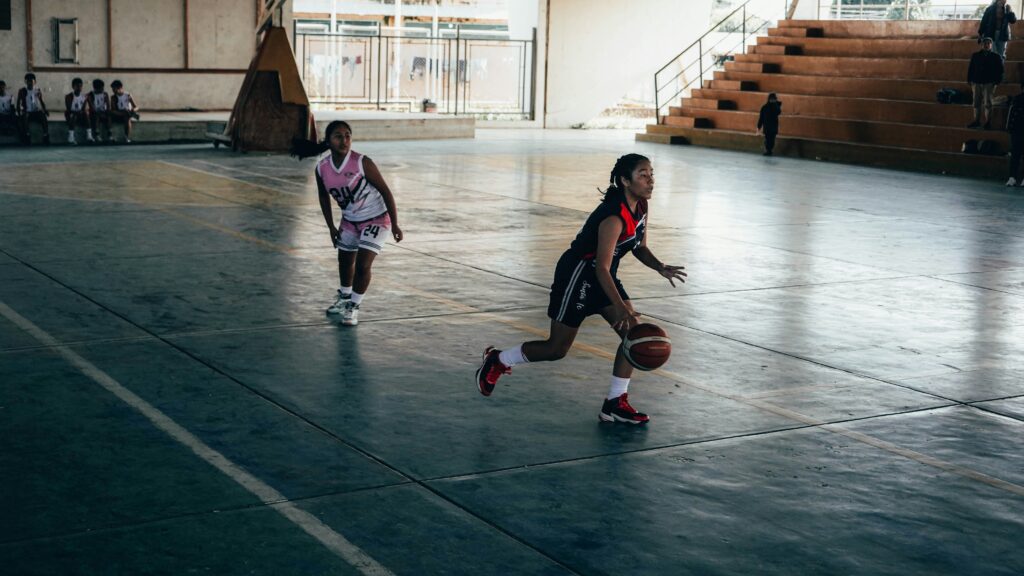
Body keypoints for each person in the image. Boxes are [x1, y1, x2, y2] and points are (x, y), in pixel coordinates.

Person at [474, 154, 687, 425]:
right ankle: (499, 359)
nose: (651, 180)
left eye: (651, 174)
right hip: (577, 277)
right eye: (643, 175)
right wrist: (621, 308)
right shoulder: (613, 216)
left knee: (632, 336)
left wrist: (660, 266)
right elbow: (599, 267)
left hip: (603, 275)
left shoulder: (641, 205)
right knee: (557, 349)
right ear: (625, 180)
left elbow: (639, 246)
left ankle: (614, 403)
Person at [290, 120, 404, 326]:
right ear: (328, 140)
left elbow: (386, 191)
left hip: (376, 218)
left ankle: (354, 306)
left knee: (363, 264)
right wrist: (331, 227)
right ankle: (344, 297)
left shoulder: (362, 162)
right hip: (350, 220)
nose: (344, 141)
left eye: (348, 136)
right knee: (344, 261)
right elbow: (323, 197)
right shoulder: (322, 168)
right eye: (338, 136)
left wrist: (395, 224)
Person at [967, 37, 1004, 129]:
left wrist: (997, 81)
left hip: (989, 83)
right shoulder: (975, 55)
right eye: (985, 43)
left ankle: (988, 122)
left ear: (991, 45)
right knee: (976, 103)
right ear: (982, 45)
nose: (986, 45)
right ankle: (976, 121)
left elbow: (1001, 70)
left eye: (988, 43)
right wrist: (969, 80)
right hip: (976, 82)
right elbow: (971, 68)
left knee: (988, 104)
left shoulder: (996, 57)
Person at [16, 73, 49, 145]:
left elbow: (41, 101)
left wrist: (45, 110)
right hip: (27, 112)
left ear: (35, 82)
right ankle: (27, 136)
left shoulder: (37, 90)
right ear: (26, 82)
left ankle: (46, 135)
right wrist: (18, 113)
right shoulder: (22, 90)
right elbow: (18, 103)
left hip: (36, 111)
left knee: (43, 116)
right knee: (24, 117)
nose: (30, 83)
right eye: (28, 81)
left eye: (32, 81)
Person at [1005, 82, 1024, 186]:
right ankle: (1012, 177)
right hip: (1017, 131)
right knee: (1015, 155)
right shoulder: (1017, 99)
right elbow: (1011, 114)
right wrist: (1009, 128)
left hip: (1017, 131)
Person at [64, 77, 93, 144]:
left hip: (80, 115)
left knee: (86, 114)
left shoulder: (84, 97)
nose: (79, 88)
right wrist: (78, 112)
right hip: (71, 115)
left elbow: (83, 108)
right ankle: (71, 137)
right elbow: (69, 109)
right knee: (73, 115)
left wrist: (88, 100)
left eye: (80, 86)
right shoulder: (69, 96)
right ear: (73, 87)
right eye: (77, 86)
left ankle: (89, 135)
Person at [88, 79, 112, 143]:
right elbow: (92, 107)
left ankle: (110, 135)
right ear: (96, 88)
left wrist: (106, 111)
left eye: (103, 87)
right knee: (96, 116)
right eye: (101, 88)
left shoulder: (105, 94)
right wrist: (99, 112)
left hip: (103, 112)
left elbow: (108, 105)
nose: (102, 89)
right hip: (95, 113)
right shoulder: (90, 95)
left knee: (109, 115)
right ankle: (97, 135)